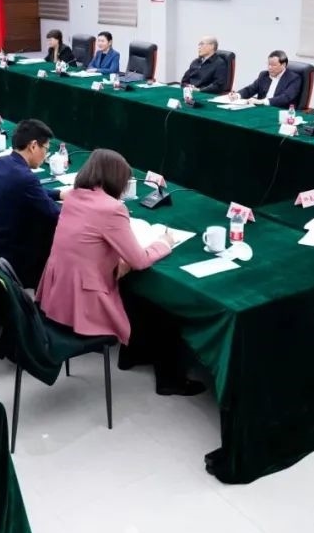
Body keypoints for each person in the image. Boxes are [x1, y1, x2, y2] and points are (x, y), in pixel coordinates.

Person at [36, 150, 203, 395]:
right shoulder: (111, 209)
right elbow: (140, 260)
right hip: (85, 302)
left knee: (136, 291)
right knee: (164, 307)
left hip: (58, 294)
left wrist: (119, 259)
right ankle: (169, 379)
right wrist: (164, 243)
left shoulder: (73, 196)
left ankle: (133, 352)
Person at [0, 119, 65, 287]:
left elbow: (30, 191)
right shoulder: (25, 178)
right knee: (48, 239)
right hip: (1, 257)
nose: (45, 155)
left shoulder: (1, 163)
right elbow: (55, 215)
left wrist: (59, 194)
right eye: (46, 149)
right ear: (33, 146)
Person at [231, 50, 303, 108]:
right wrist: (237, 95)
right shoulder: (264, 75)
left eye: (273, 65)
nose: (270, 68)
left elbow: (286, 97)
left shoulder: (294, 78)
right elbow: (250, 89)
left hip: (280, 111)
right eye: (269, 64)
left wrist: (263, 101)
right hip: (261, 109)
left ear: (283, 65)